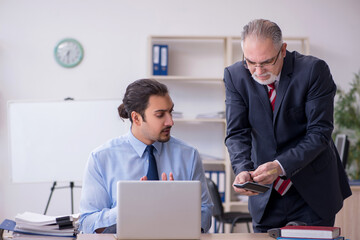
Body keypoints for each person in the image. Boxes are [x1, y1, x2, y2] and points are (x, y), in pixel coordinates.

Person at [224, 19, 352, 233]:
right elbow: (237, 133)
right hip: (265, 195)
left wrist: (280, 166)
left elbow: (319, 133)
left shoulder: (313, 71)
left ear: (283, 50)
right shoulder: (235, 76)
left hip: (312, 192)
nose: (258, 71)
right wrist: (243, 169)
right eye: (250, 62)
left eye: (265, 62)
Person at [79, 79, 213, 233]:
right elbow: (87, 224)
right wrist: (128, 209)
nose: (170, 121)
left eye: (170, 112)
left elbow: (206, 212)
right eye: (160, 115)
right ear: (136, 118)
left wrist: (179, 208)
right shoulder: (101, 158)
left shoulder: (188, 155)